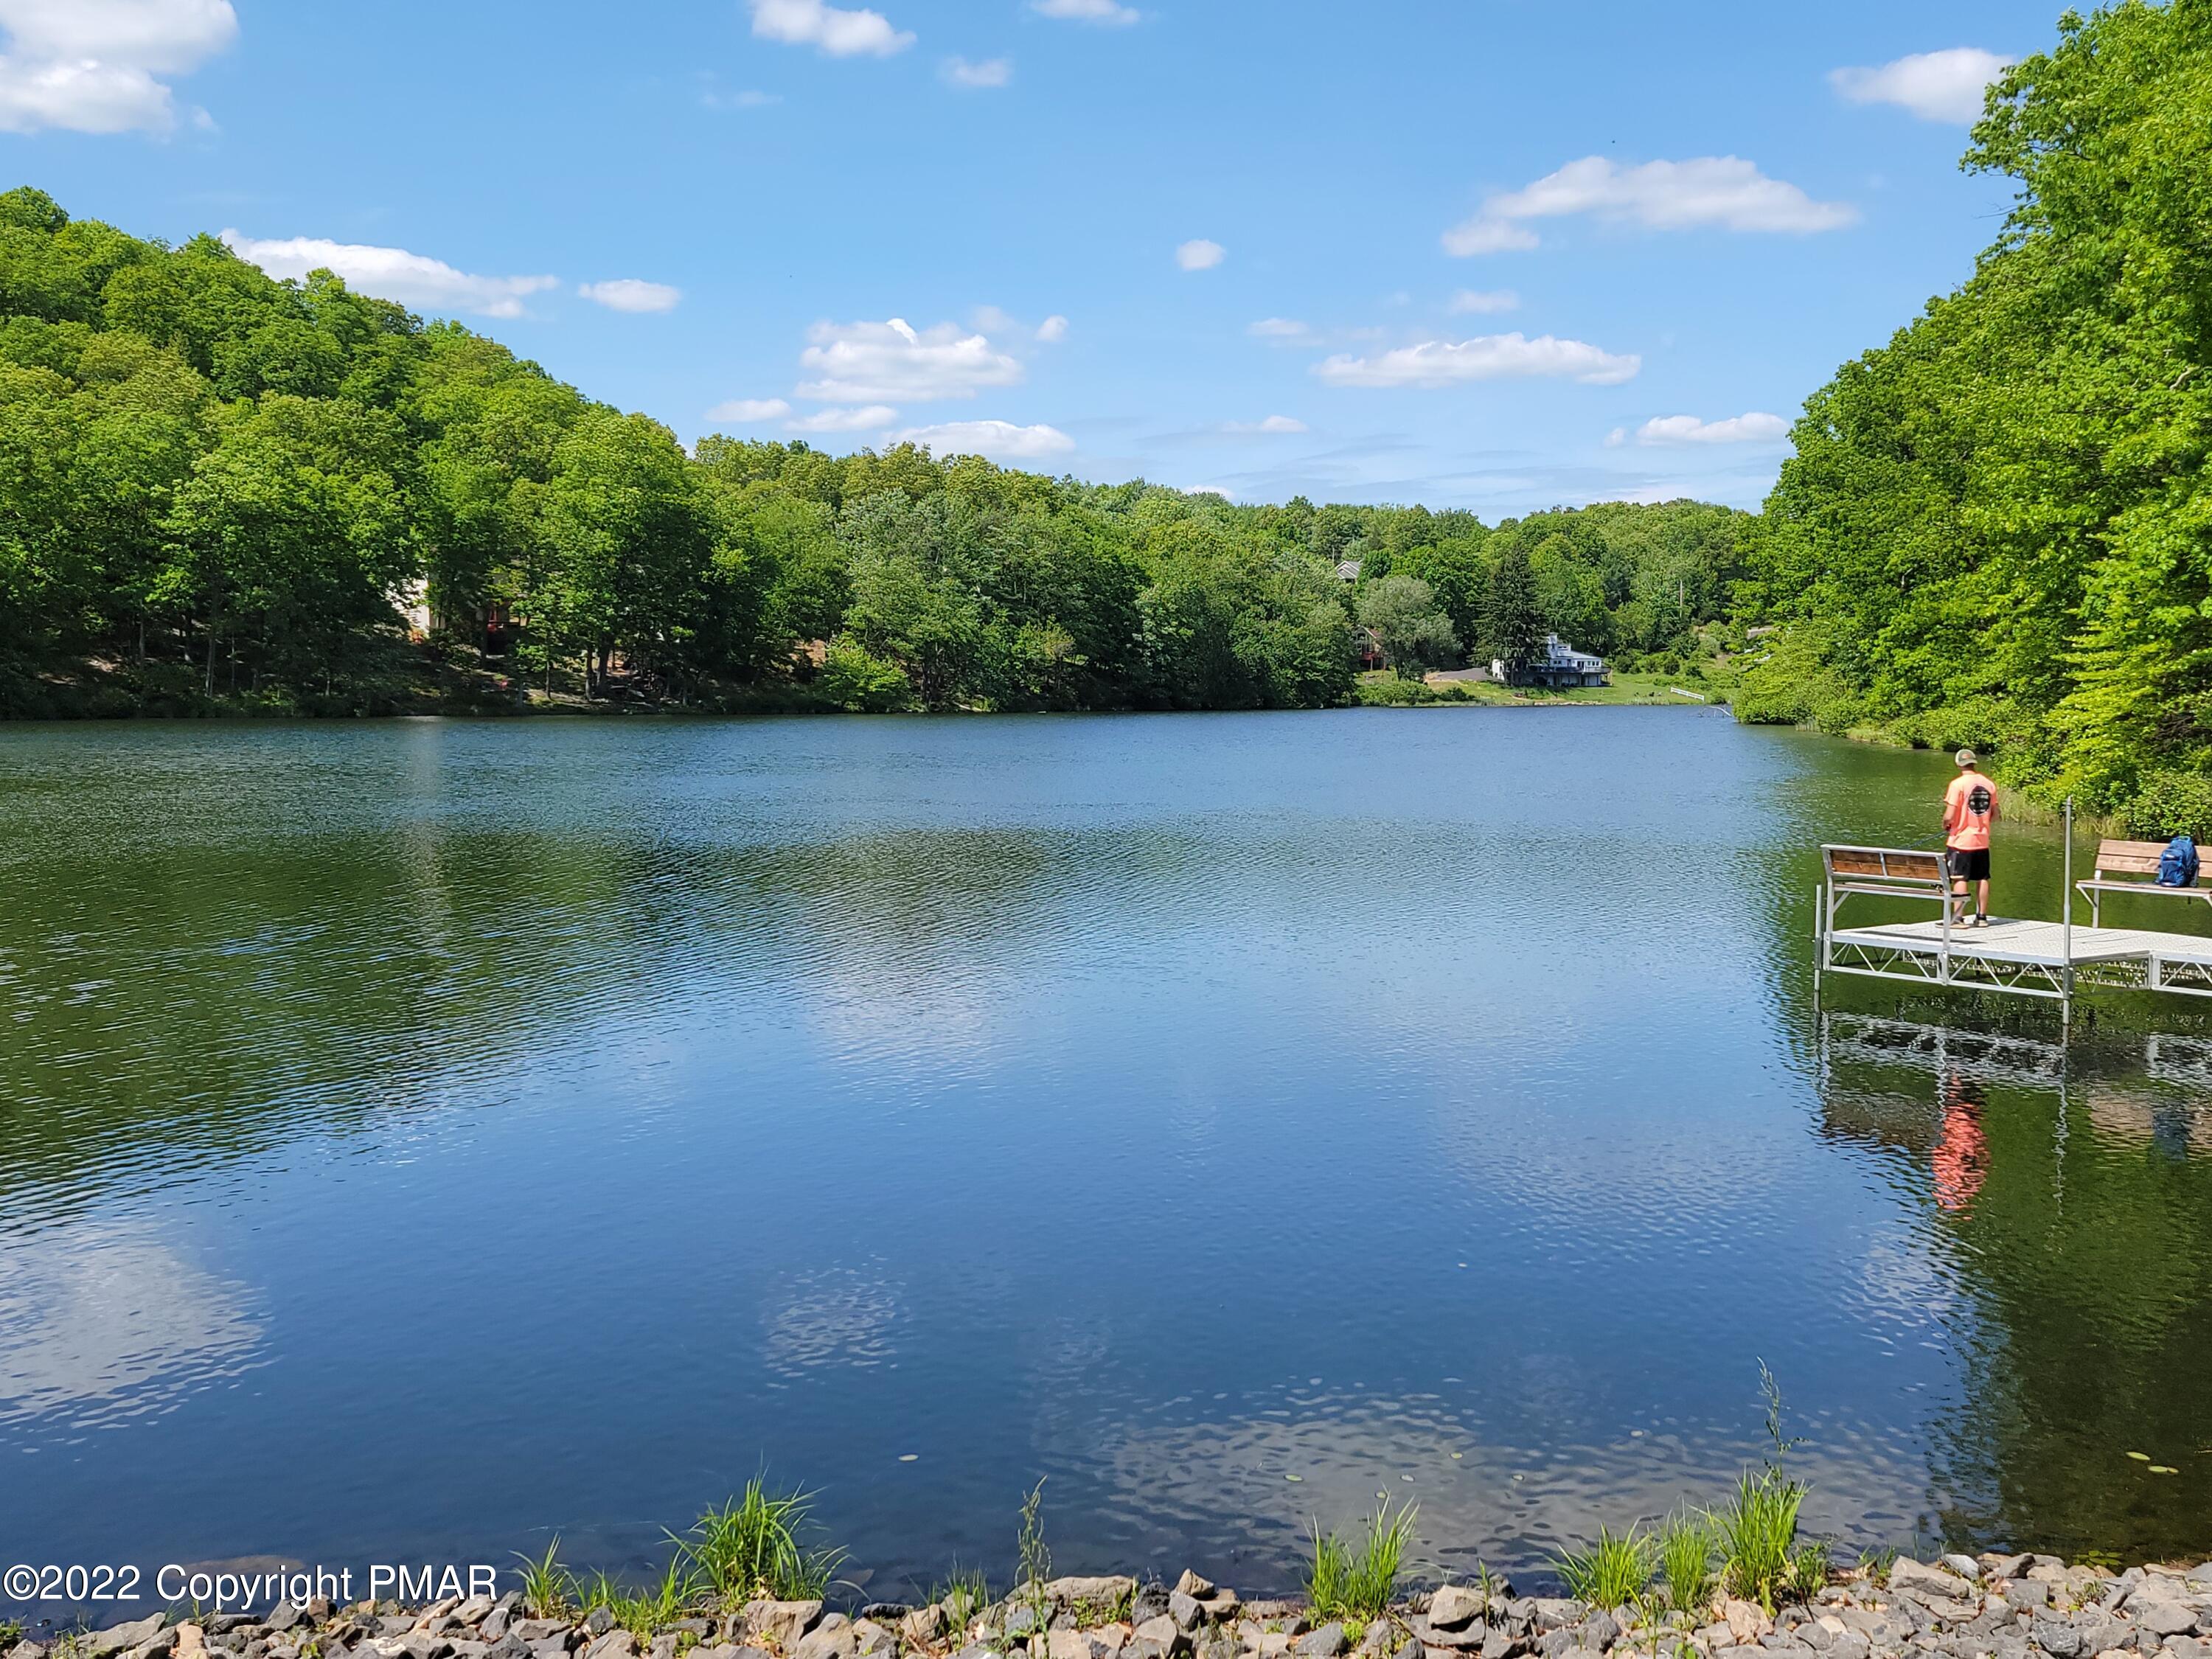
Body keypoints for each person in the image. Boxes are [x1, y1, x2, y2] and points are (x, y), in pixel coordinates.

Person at [1943, 748, 1999, 925]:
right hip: (1982, 840)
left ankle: (1958, 918)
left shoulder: (1957, 785)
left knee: (1960, 877)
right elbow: (1996, 815)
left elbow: (1950, 815)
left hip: (1961, 841)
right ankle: (1982, 917)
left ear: (1959, 764)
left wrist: (1946, 824)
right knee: (1983, 877)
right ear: (1974, 763)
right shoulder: (1988, 784)